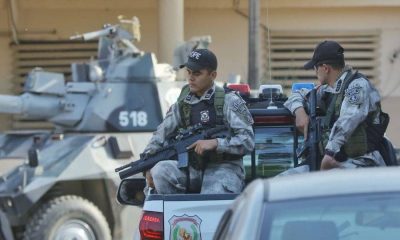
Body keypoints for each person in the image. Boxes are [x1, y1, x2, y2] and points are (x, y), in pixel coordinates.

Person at [143, 49, 255, 194]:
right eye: (188, 72)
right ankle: (176, 215)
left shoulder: (229, 101)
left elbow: (248, 141)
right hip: (192, 168)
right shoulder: (182, 105)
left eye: (197, 73)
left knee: (213, 194)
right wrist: (147, 166)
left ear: (212, 75)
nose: (190, 78)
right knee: (159, 171)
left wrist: (216, 144)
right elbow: (159, 136)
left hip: (224, 167)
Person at [284, 40, 388, 171]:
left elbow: (349, 119)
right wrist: (299, 112)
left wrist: (329, 154)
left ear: (325, 68)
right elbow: (296, 95)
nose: (315, 72)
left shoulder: (358, 85)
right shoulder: (328, 90)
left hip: (364, 166)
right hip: (335, 164)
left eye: (315, 68)